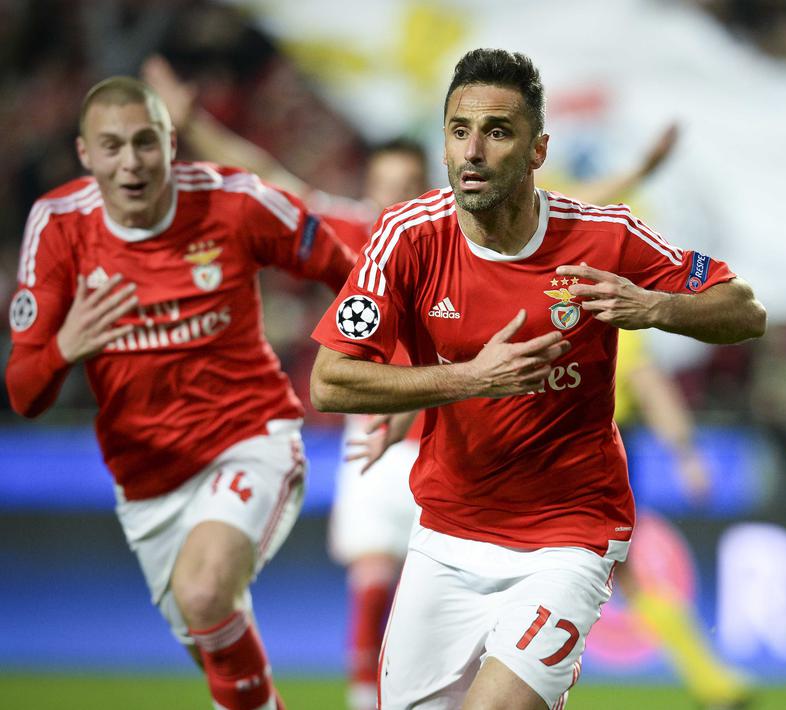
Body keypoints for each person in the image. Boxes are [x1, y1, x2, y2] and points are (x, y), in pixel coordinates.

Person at [142, 53, 688, 710]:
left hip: (463, 447)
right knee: (374, 581)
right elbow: (265, 176)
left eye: (407, 184)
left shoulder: (459, 232)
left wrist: (638, 176)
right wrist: (194, 124)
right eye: (383, 186)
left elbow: (575, 216)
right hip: (381, 438)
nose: (394, 198)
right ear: (366, 189)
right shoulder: (361, 233)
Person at [309, 48, 766, 710]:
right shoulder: (408, 236)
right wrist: (469, 379)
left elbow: (743, 308)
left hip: (566, 538)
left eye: (497, 132)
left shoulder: (605, 237)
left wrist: (654, 307)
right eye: (459, 131)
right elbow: (330, 381)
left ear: (536, 149)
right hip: (446, 537)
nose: (473, 151)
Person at [4, 76, 355, 710]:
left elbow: (350, 273)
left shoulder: (235, 200)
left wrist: (381, 363)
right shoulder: (58, 226)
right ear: (85, 153)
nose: (131, 162)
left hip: (250, 439)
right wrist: (64, 347)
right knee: (216, 642)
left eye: (145, 142)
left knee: (203, 593)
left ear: (172, 142)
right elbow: (25, 394)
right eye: (112, 146)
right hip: (148, 484)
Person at [612, 329, 752, 709]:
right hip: (606, 450)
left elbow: (648, 383)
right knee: (623, 577)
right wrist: (686, 456)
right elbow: (648, 383)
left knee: (617, 575)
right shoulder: (613, 311)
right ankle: (714, 683)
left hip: (586, 451)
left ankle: (714, 683)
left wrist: (686, 456)